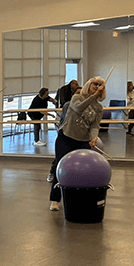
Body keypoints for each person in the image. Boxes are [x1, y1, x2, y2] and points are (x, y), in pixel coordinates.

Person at [49, 77, 106, 211]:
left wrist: (94, 137)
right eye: (95, 84)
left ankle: (81, 200)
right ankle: (55, 199)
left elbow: (94, 126)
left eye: (100, 85)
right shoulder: (76, 98)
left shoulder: (98, 107)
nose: (97, 87)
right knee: (60, 166)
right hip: (66, 138)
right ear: (89, 84)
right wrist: (94, 96)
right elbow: (79, 108)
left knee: (85, 169)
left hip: (83, 141)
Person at [47, 86, 83, 182]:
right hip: (66, 135)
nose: (79, 95)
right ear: (73, 95)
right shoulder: (67, 105)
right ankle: (53, 174)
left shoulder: (86, 106)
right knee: (60, 158)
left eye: (81, 93)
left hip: (80, 136)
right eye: (77, 93)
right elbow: (64, 121)